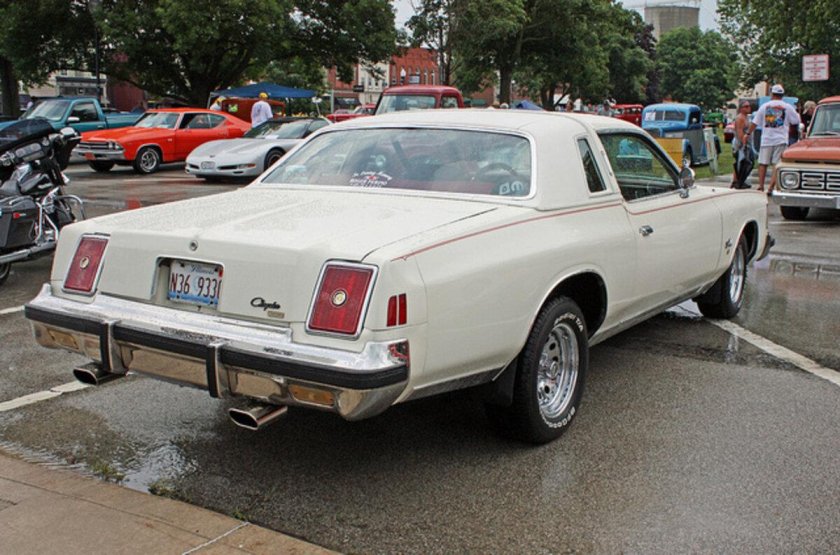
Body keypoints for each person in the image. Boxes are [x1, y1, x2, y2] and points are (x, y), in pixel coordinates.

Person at [745, 84, 800, 193]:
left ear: (772, 94)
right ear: (782, 95)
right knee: (777, 164)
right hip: (781, 139)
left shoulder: (765, 106)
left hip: (766, 139)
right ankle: (770, 187)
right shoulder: (788, 107)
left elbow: (755, 122)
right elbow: (796, 121)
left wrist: (747, 133)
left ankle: (760, 186)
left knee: (762, 163)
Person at [731, 100, 752, 187]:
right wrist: (744, 144)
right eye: (746, 106)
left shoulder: (746, 117)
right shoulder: (740, 118)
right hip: (740, 144)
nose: (748, 108)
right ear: (741, 108)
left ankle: (738, 180)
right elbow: (739, 132)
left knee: (742, 162)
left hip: (744, 143)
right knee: (742, 162)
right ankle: (738, 181)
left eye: (749, 106)